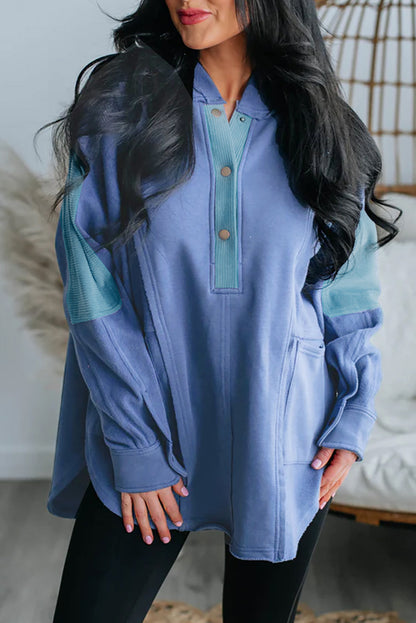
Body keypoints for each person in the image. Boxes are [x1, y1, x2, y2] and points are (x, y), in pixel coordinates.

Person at [39, 0, 400, 621]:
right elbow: (91, 290)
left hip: (286, 434)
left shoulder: (324, 125)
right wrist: (135, 442)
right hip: (152, 429)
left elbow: (348, 288)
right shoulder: (123, 108)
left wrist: (353, 413)